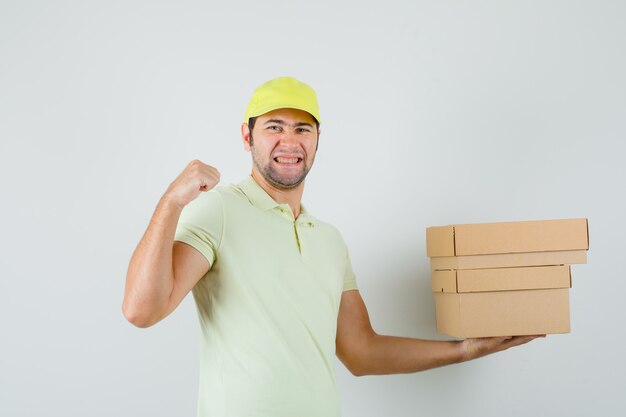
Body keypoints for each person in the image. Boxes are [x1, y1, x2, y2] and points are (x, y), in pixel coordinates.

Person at [122, 76, 542, 417]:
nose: (289, 141)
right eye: (273, 127)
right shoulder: (219, 210)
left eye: (302, 128)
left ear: (318, 138)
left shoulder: (329, 240)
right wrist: (171, 202)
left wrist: (467, 349)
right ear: (247, 136)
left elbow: (361, 352)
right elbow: (141, 310)